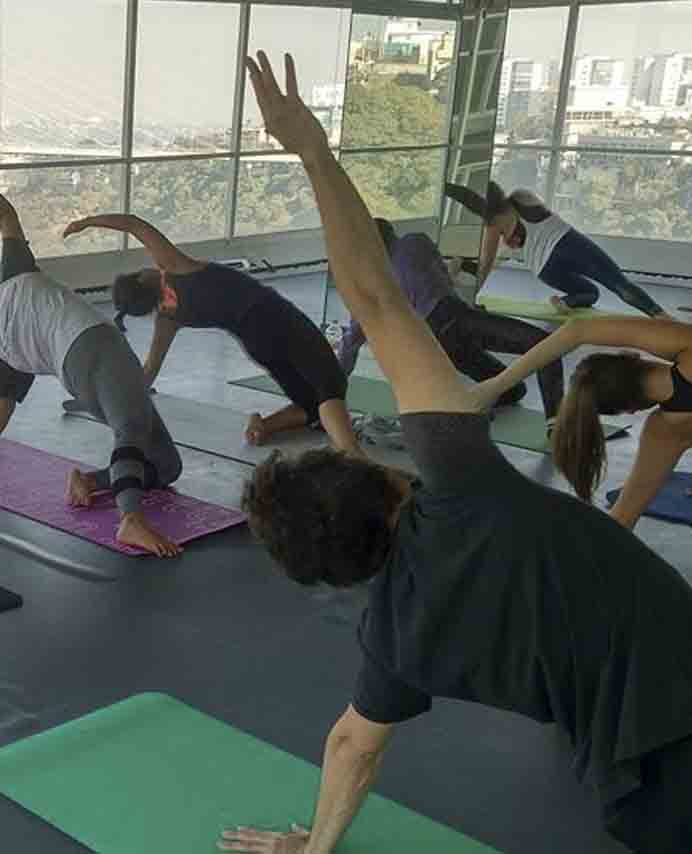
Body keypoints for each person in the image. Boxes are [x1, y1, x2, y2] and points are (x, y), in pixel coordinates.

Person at [221, 52, 692, 854]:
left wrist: (317, 846)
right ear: (377, 475)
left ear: (337, 574)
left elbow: (353, 744)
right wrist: (310, 149)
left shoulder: (395, 637)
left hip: (644, 759)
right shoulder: (461, 482)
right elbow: (373, 294)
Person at [0, 146, 183, 558]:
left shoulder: (7, 353)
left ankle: (91, 481)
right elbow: (5, 215)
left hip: (80, 377)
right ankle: (130, 518)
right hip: (96, 345)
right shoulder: (15, 280)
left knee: (164, 465)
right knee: (129, 429)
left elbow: (3, 407)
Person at [65, 214, 360, 452]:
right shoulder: (175, 267)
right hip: (277, 318)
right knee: (331, 384)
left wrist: (109, 399)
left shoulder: (168, 319)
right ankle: (354, 457)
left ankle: (264, 425)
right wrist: (87, 222)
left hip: (256, 343)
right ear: (143, 277)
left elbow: (150, 371)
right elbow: (134, 224)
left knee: (312, 404)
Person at [477, 315, 692, 530]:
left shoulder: (666, 432)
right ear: (633, 359)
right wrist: (496, 385)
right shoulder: (686, 343)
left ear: (629, 409)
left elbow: (621, 522)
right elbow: (579, 329)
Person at [338, 220, 563, 423]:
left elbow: (352, 341)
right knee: (546, 344)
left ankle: (461, 405)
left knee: (513, 391)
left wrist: (336, 387)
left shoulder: (371, 283)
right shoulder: (415, 241)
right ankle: (556, 424)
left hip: (442, 348)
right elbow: (444, 277)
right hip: (457, 320)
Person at [446, 180, 668, 318]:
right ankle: (662, 317)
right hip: (567, 244)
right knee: (616, 282)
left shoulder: (493, 227)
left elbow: (486, 266)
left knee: (591, 293)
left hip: (544, 270)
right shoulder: (522, 196)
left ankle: (565, 302)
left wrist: (473, 300)